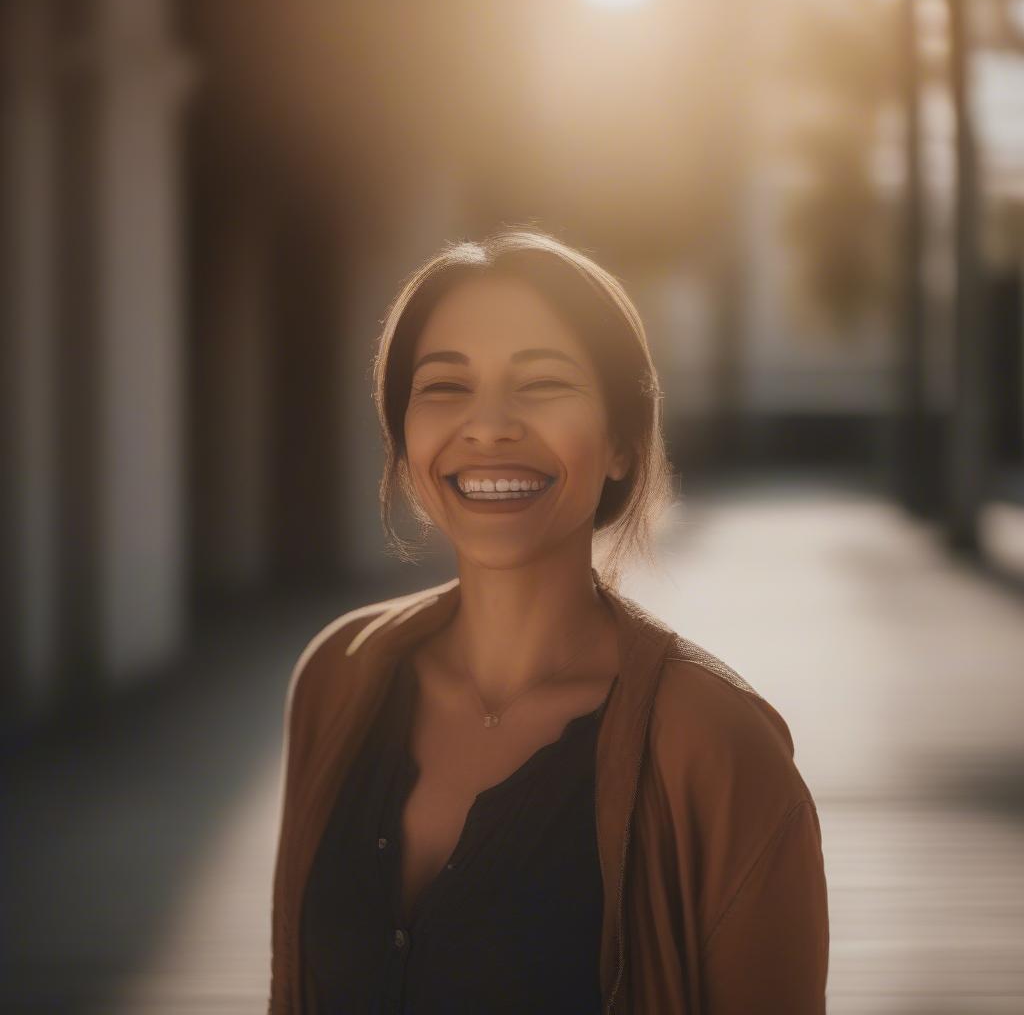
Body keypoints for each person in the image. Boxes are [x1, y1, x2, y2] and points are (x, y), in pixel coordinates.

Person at [268, 226, 829, 1014]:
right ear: (403, 443)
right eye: (445, 387)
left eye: (541, 384)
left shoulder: (719, 746)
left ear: (623, 445)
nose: (489, 425)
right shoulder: (340, 675)